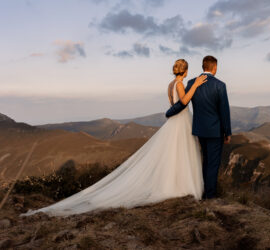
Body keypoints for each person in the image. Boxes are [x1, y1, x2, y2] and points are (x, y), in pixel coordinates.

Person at [22, 59, 207, 216]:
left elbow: (172, 102)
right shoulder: (180, 84)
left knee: (174, 152)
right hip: (181, 121)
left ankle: (174, 183)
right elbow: (183, 102)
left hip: (175, 121)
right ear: (186, 71)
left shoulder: (170, 84)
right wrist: (196, 85)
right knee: (182, 152)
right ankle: (179, 186)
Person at [166, 55, 232, 199]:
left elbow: (182, 103)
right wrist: (227, 131)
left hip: (199, 130)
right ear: (215, 68)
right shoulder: (220, 85)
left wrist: (169, 112)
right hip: (215, 131)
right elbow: (224, 111)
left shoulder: (191, 82)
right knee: (213, 164)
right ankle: (210, 195)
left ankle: (203, 189)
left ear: (203, 67)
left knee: (205, 161)